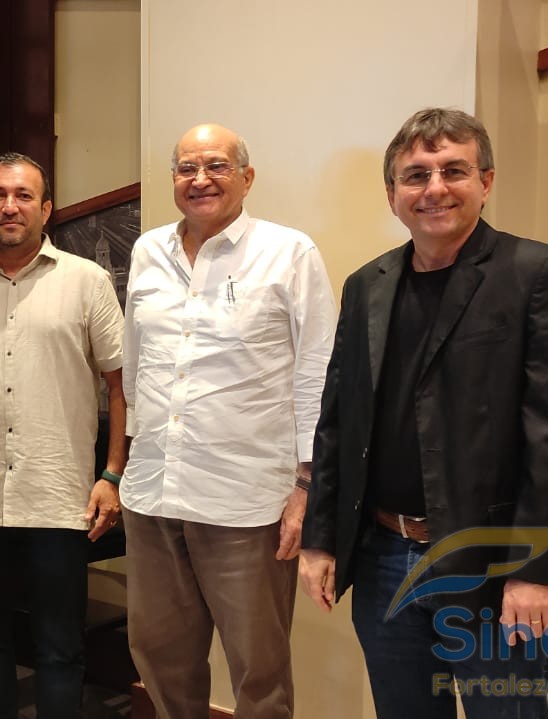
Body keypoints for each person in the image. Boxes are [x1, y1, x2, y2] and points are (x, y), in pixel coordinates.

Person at [299, 107, 548, 719]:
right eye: (416, 175)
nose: (434, 188)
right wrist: (320, 539)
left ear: (486, 182)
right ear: (392, 194)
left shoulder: (537, 274)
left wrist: (538, 571)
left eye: (453, 170)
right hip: (383, 559)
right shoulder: (367, 285)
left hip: (493, 566)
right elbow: (338, 422)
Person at [121, 123, 336, 718]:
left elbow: (318, 373)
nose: (200, 179)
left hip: (246, 504)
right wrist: (130, 456)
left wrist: (307, 486)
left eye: (216, 165)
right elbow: (137, 365)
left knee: (258, 673)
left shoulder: (289, 253)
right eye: (187, 168)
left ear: (247, 177)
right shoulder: (148, 252)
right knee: (160, 659)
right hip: (153, 495)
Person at [0, 152, 126, 718]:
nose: (9, 207)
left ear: (46, 208)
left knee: (60, 645)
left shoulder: (87, 282)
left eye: (23, 195)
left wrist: (111, 474)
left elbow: (120, 385)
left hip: (58, 495)